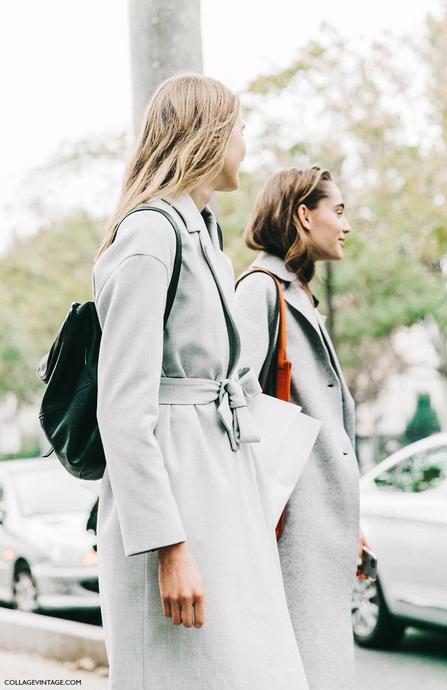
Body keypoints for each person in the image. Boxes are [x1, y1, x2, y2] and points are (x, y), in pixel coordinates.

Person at [92, 75, 310, 690]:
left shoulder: (200, 233)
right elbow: (123, 407)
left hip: (217, 488)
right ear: (207, 134)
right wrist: (168, 546)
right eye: (240, 127)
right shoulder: (150, 234)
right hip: (181, 499)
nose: (247, 142)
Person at [234, 166, 369, 690]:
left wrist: (349, 519)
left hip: (315, 520)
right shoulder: (261, 291)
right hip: (287, 522)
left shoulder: (298, 295)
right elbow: (232, 398)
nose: (346, 225)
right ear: (302, 215)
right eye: (338, 211)